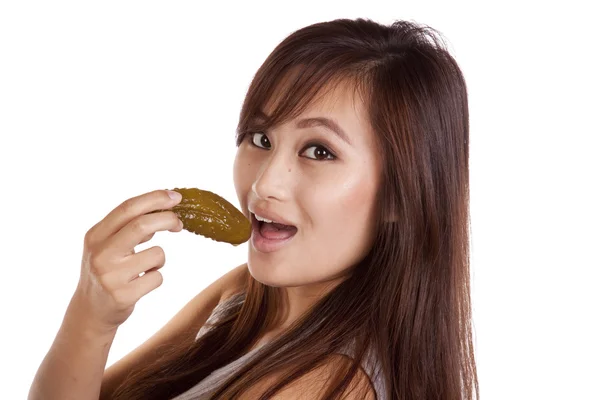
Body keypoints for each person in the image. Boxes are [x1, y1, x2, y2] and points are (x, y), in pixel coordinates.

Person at [28, 18, 478, 400]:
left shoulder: (327, 384)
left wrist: (91, 324)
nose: (264, 183)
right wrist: (91, 316)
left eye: (319, 151)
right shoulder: (245, 295)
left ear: (400, 195)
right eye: (261, 139)